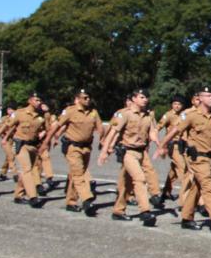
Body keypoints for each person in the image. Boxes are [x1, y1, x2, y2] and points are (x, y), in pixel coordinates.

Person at [159, 85, 211, 236]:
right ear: (201, 98)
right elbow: (175, 130)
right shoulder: (190, 115)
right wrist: (162, 145)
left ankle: (186, 218)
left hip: (210, 158)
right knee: (208, 186)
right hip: (197, 158)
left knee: (196, 188)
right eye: (209, 95)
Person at [98, 89, 158, 227]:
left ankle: (118, 211)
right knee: (140, 179)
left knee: (127, 184)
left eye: (146, 97)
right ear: (134, 99)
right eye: (142, 97)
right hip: (128, 152)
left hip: (142, 153)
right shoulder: (125, 114)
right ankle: (145, 211)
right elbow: (113, 132)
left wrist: (159, 144)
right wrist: (104, 151)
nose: (145, 100)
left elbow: (153, 132)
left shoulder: (148, 115)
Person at [41, 88, 102, 216]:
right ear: (78, 99)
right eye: (85, 97)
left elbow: (101, 128)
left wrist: (103, 141)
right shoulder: (70, 111)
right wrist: (46, 142)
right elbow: (56, 127)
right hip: (72, 147)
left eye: (89, 97)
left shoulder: (93, 113)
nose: (88, 100)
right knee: (79, 174)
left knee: (77, 174)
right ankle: (87, 199)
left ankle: (71, 202)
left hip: (86, 148)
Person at [0, 93, 47, 207]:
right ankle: (33, 197)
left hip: (33, 146)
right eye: (36, 100)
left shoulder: (40, 115)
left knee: (28, 170)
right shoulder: (19, 113)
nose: (39, 102)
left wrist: (43, 135)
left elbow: (47, 129)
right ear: (30, 101)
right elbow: (7, 126)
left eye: (40, 100)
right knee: (27, 170)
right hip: (20, 145)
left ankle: (18, 195)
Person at [157, 96, 186, 201]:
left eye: (179, 104)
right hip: (172, 145)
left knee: (174, 169)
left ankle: (166, 191)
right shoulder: (168, 115)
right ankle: (186, 198)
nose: (177, 106)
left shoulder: (184, 115)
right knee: (183, 169)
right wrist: (160, 144)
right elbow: (158, 127)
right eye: (175, 104)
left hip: (181, 145)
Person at [0, 104, 19, 181]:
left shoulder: (17, 119)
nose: (10, 111)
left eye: (12, 109)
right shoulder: (4, 119)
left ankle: (3, 173)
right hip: (5, 140)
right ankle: (15, 173)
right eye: (9, 109)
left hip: (14, 139)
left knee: (9, 156)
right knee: (11, 156)